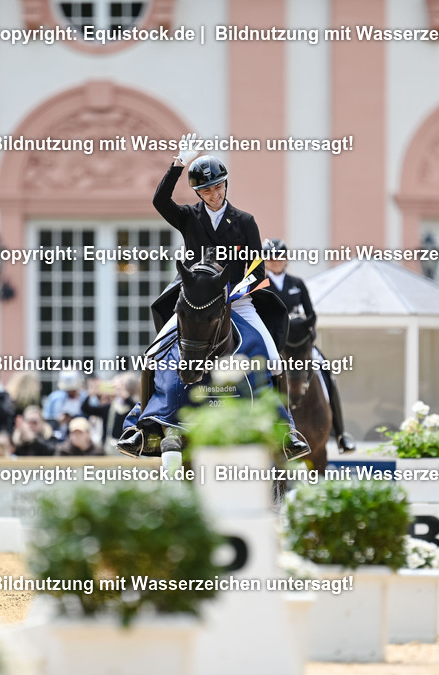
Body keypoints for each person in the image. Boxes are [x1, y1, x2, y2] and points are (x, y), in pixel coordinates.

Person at [123, 137, 309, 459]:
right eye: (207, 190)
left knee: (273, 356)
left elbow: (256, 267)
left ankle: (288, 430)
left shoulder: (245, 221)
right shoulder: (188, 217)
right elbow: (159, 201)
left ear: (225, 185)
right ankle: (139, 427)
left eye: (218, 187)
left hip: (238, 301)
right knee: (153, 354)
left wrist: (237, 290)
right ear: (198, 193)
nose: (214, 193)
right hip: (196, 302)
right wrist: (178, 163)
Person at [262, 237, 355, 452]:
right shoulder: (262, 284)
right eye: (271, 258)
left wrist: (305, 329)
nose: (275, 261)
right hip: (275, 343)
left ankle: (341, 434)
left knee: (326, 372)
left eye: (279, 257)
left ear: (285, 260)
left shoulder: (297, 284)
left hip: (300, 342)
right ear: (266, 261)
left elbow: (311, 313)